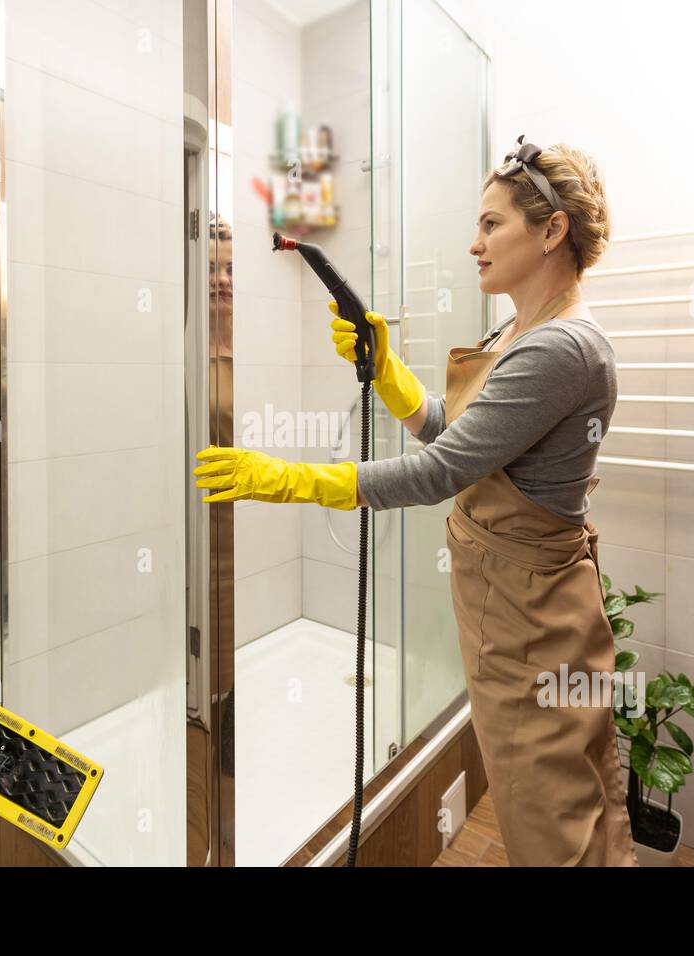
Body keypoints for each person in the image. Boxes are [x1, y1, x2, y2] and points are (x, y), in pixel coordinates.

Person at [193, 137, 638, 866]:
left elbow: (439, 471)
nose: (475, 243)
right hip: (505, 607)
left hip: (534, 619)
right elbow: (459, 437)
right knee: (543, 809)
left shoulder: (564, 348)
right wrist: (390, 374)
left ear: (552, 230)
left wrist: (290, 479)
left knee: (558, 822)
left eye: (493, 224)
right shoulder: (520, 331)